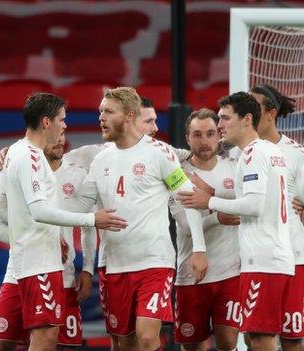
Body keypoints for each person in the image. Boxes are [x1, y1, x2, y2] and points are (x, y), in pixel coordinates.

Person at [0, 93, 127, 351]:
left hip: (31, 264)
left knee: (15, 344)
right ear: (46, 122)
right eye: (61, 120)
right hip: (40, 265)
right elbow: (40, 211)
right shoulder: (30, 158)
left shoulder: (17, 155)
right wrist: (92, 219)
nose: (65, 126)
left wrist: (36, 239)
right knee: (45, 340)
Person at [79, 87, 208, 351]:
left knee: (148, 338)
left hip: (154, 263)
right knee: (124, 343)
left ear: (128, 116)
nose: (101, 117)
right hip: (114, 265)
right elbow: (81, 209)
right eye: (100, 111)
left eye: (108, 111)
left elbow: (189, 198)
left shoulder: (159, 154)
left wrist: (199, 248)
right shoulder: (100, 160)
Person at [177, 92, 294, 351]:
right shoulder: (269, 150)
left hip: (264, 259)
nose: (220, 125)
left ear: (247, 119)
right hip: (272, 256)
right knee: (255, 337)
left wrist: (208, 201)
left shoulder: (252, 155)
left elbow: (253, 206)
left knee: (261, 338)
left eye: (225, 118)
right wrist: (214, 193)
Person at [0, 135, 97, 351]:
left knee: (65, 346)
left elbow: (89, 225)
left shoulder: (77, 174)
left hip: (62, 275)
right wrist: (37, 241)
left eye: (63, 134)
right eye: (54, 136)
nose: (60, 140)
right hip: (18, 272)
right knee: (2, 344)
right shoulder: (20, 169)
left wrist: (87, 269)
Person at [249, 84, 304, 351]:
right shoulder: (240, 152)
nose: (247, 114)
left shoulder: (298, 154)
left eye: (254, 107)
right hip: (255, 258)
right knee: (255, 336)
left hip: (295, 256)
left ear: (271, 113)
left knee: (292, 338)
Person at [169, 108, 241, 351]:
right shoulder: (177, 174)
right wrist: (218, 216)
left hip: (231, 272)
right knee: (192, 345)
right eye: (197, 135)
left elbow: (247, 205)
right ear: (187, 138)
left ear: (218, 136)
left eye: (210, 133)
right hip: (191, 273)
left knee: (229, 341)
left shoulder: (233, 167)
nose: (204, 141)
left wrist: (214, 201)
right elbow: (185, 226)